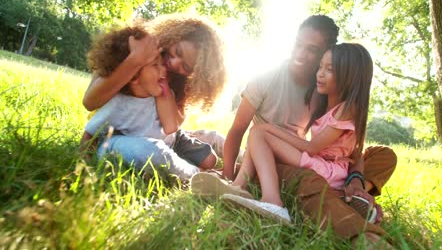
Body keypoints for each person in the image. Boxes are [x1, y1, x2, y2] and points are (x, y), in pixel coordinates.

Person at [190, 15, 397, 245]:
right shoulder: (266, 80)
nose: (300, 54)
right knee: (307, 179)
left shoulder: (325, 87)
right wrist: (229, 175)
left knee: (383, 154)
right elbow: (238, 130)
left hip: (309, 158)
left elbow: (351, 149)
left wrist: (357, 178)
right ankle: (360, 234)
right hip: (274, 159)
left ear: (328, 54)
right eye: (298, 44)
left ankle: (352, 194)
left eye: (312, 50)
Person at [220, 42, 375, 224]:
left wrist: (269, 128)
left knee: (259, 134)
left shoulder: (348, 109)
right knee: (257, 137)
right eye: (320, 67)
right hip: (322, 164)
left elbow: (312, 147)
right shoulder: (327, 105)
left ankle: (271, 200)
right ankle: (239, 186)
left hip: (328, 170)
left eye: (329, 69)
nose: (320, 74)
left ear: (349, 76)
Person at [81, 14, 227, 178]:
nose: (173, 64)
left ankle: (247, 161)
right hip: (123, 136)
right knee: (152, 153)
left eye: (186, 67)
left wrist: (162, 92)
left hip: (161, 134)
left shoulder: (177, 81)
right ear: (174, 35)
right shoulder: (136, 45)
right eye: (177, 52)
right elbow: (90, 102)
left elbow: (173, 126)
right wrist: (136, 61)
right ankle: (200, 173)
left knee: (211, 148)